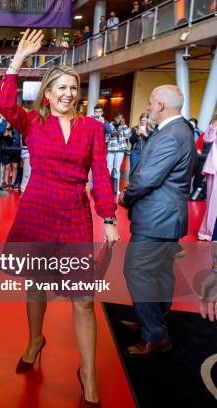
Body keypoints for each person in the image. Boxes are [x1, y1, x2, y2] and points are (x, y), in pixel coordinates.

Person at [0, 29, 119, 407]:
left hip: (74, 213)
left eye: (73, 87)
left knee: (83, 298)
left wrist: (109, 216)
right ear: (47, 93)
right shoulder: (33, 122)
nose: (67, 93)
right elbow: (3, 103)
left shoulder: (93, 128)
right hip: (37, 210)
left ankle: (89, 375)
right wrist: (18, 58)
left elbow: (101, 173)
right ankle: (35, 340)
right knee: (36, 282)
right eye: (60, 87)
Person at [118, 85, 196, 358]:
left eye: (151, 103)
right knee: (160, 273)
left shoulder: (171, 135)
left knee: (137, 271)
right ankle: (151, 319)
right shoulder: (180, 130)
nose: (149, 107)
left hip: (157, 217)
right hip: (166, 217)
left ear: (161, 106)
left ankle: (155, 334)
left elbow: (147, 178)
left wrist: (125, 197)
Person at [198, 116, 217, 241]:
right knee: (213, 202)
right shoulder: (215, 126)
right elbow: (207, 138)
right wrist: (213, 125)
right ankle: (208, 231)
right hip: (215, 168)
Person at [107, 114, 132, 194]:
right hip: (111, 149)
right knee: (109, 167)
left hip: (120, 150)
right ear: (115, 118)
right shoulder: (110, 125)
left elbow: (129, 135)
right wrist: (112, 134)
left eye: (121, 118)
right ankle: (106, 188)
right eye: (118, 118)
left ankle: (116, 189)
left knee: (117, 169)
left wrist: (124, 125)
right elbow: (105, 138)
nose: (119, 119)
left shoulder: (123, 126)